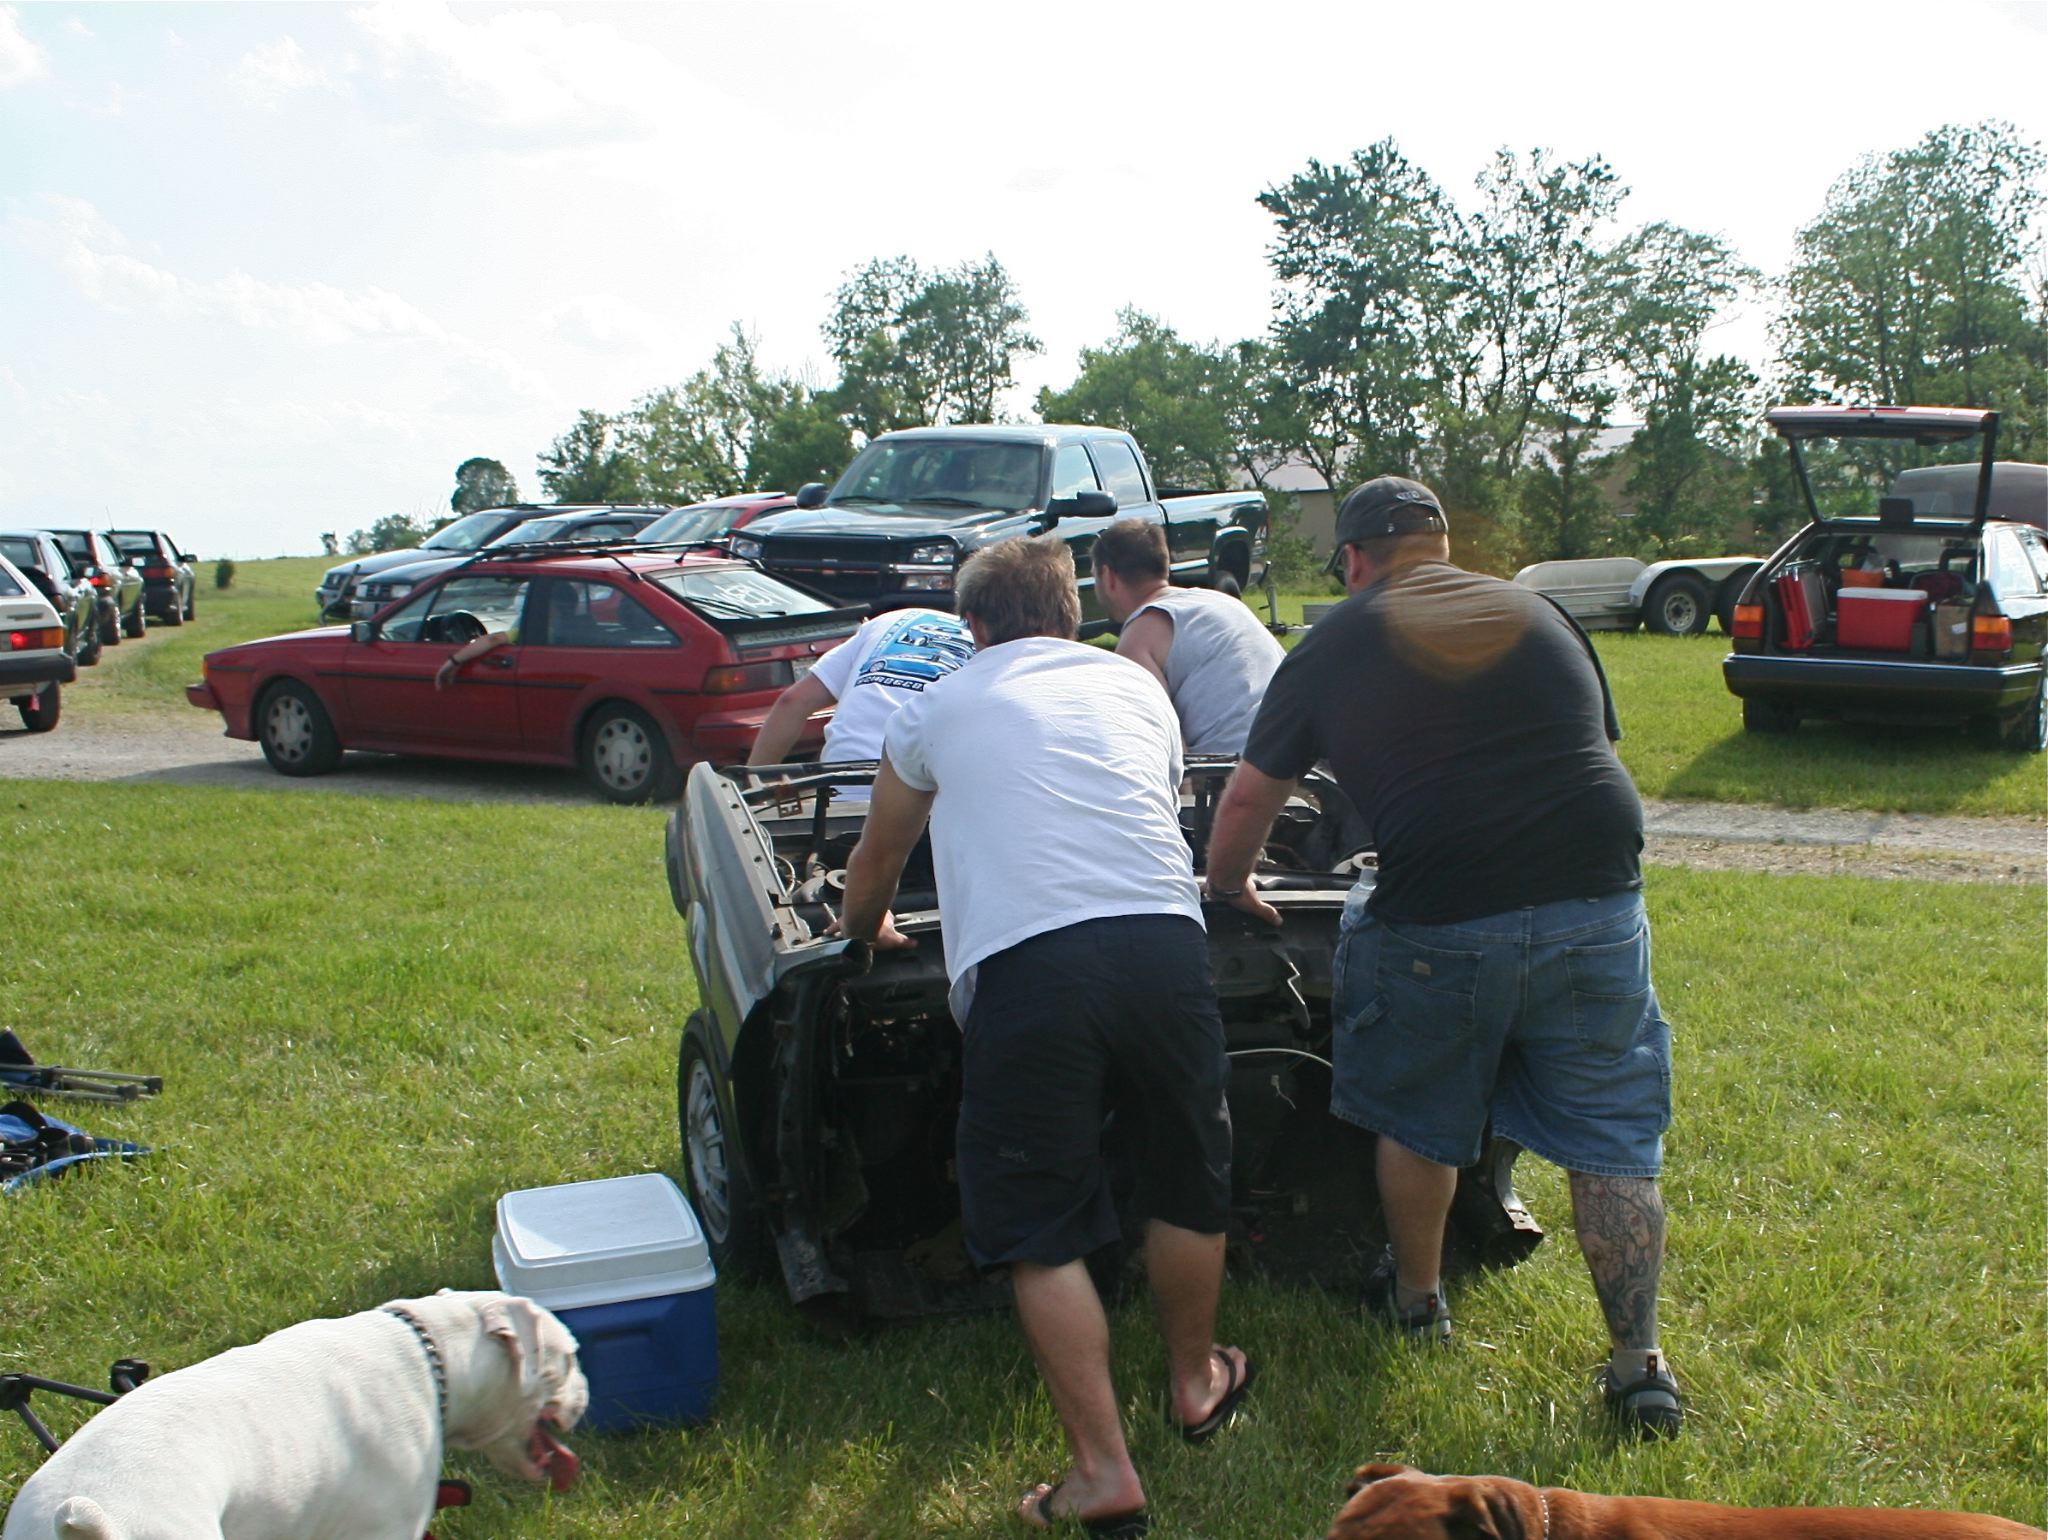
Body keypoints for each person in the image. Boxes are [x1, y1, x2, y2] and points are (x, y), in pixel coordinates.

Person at [1203, 476, 1683, 1439]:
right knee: (1612, 1141)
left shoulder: (1337, 636)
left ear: (1353, 560)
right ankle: (1640, 1369)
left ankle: (1418, 1302)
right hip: (1599, 899)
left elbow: (1252, 796)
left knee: (1420, 1116)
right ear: (1445, 545)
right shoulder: (1541, 615)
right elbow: (1586, 751)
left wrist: (1227, 887)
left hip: (1442, 915)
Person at [835, 537, 1256, 1534]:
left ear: (972, 626)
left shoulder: (934, 707)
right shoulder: (1138, 689)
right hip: (1164, 946)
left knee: (1037, 1220)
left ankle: (1103, 1472)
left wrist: (865, 928)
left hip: (1029, 965)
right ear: (1073, 614)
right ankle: (1194, 1383)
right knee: (1187, 1173)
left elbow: (878, 856)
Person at [1091, 519, 1284, 757]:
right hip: (1299, 759)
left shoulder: (1139, 637)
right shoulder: (1225, 603)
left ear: (1108, 576)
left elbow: (1167, 748)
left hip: (1230, 768)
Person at [746, 606, 974, 785]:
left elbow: (793, 702)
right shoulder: (992, 649)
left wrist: (750, 794)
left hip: (839, 776)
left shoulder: (895, 618)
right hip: (913, 787)